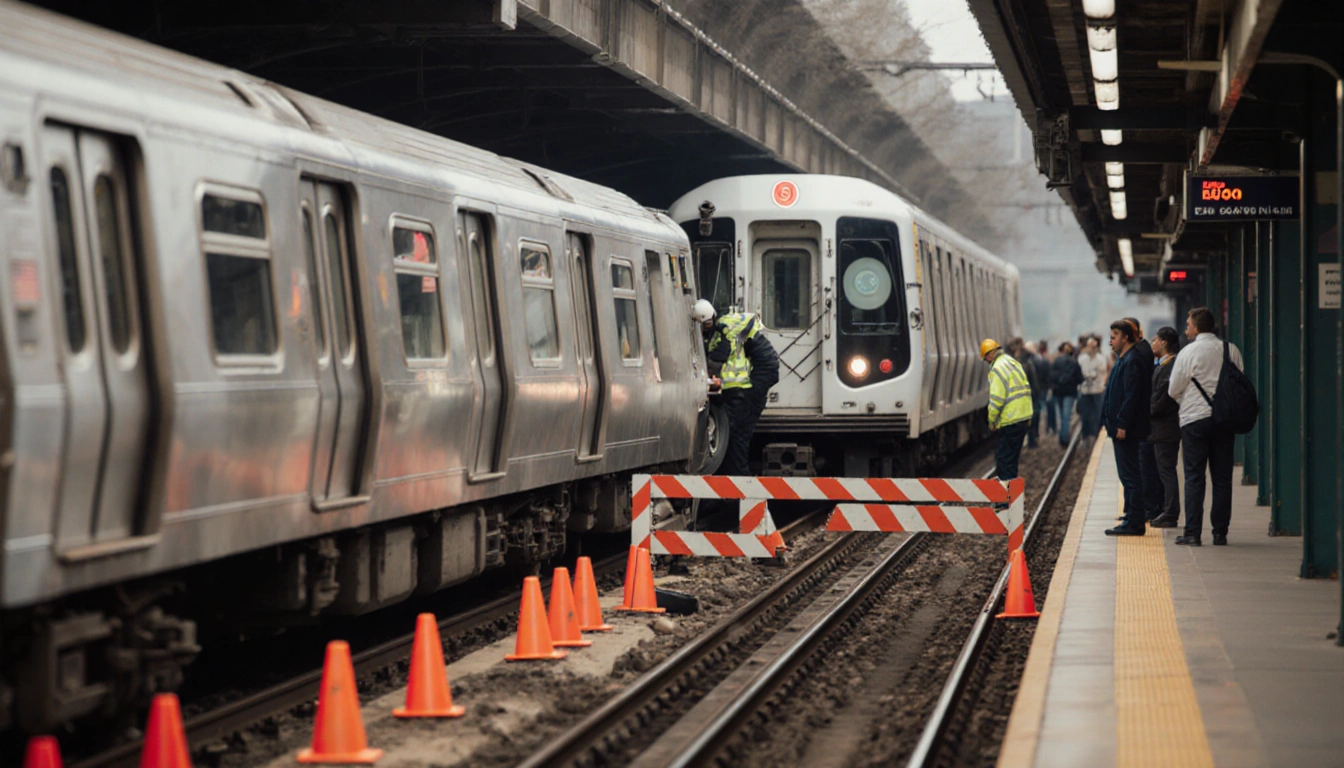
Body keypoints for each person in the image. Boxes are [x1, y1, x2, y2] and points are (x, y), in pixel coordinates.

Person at [1168, 307, 1244, 546]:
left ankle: (1192, 533)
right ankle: (1220, 532)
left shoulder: (1188, 352)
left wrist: (1187, 400)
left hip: (1194, 420)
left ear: (1197, 327)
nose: (1186, 329)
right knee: (1222, 477)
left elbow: (1173, 389)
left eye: (1188, 325)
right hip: (1224, 420)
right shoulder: (1230, 349)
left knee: (1194, 476)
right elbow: (1240, 380)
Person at [693, 299, 779, 477]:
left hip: (748, 388)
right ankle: (736, 487)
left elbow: (717, 358)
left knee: (735, 437)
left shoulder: (724, 330)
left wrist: (711, 377)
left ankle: (739, 487)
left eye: (706, 324)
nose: (706, 328)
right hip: (753, 382)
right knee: (735, 437)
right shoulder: (731, 325)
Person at [1103, 319, 1151, 536]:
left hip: (1127, 430)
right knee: (1128, 474)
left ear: (1126, 337)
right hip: (1121, 428)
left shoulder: (1132, 361)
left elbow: (1131, 396)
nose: (1110, 340)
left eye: (1114, 336)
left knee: (1130, 475)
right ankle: (1132, 516)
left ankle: (1135, 522)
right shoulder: (1124, 359)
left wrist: (1122, 424)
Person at [980, 338, 1035, 481]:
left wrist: (991, 422)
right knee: (1012, 458)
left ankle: (1005, 498)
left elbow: (997, 400)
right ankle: (1012, 494)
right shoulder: (1013, 362)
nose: (987, 362)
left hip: (1011, 418)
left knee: (1003, 459)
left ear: (990, 355)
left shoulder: (997, 368)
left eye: (985, 358)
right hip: (1023, 416)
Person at [1147, 326, 1182, 528]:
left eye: (1155, 340)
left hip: (1165, 428)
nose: (1153, 344)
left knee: (1167, 471)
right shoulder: (1164, 365)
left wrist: (1144, 413)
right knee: (1165, 470)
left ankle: (1170, 512)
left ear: (1164, 343)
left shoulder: (1169, 367)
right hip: (1163, 428)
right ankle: (1167, 510)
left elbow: (1160, 399)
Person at [1048, 341, 1083, 446]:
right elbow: (1080, 378)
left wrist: (1056, 384)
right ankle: (1065, 438)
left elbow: (1051, 376)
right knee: (1066, 415)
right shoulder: (1074, 362)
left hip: (1058, 392)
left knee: (1061, 414)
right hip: (1070, 392)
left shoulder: (1056, 361)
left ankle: (1062, 438)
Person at [1013, 338, 1043, 449]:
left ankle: (1025, 440)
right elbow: (1034, 380)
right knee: (1033, 416)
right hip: (1030, 394)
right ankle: (1032, 439)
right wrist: (1037, 392)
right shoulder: (1029, 363)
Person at [1077, 337, 1108, 438]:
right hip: (1085, 390)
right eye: (1090, 346)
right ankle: (1085, 435)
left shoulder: (1101, 359)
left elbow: (1102, 372)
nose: (1092, 348)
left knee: (1097, 414)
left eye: (1094, 346)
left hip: (1097, 390)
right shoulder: (1082, 358)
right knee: (1085, 414)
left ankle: (1095, 434)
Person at [1035, 341, 1055, 436]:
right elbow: (1051, 375)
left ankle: (1042, 430)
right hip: (1046, 387)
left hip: (1039, 387)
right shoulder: (1048, 359)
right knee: (1049, 408)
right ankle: (1049, 428)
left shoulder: (1035, 359)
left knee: (1041, 409)